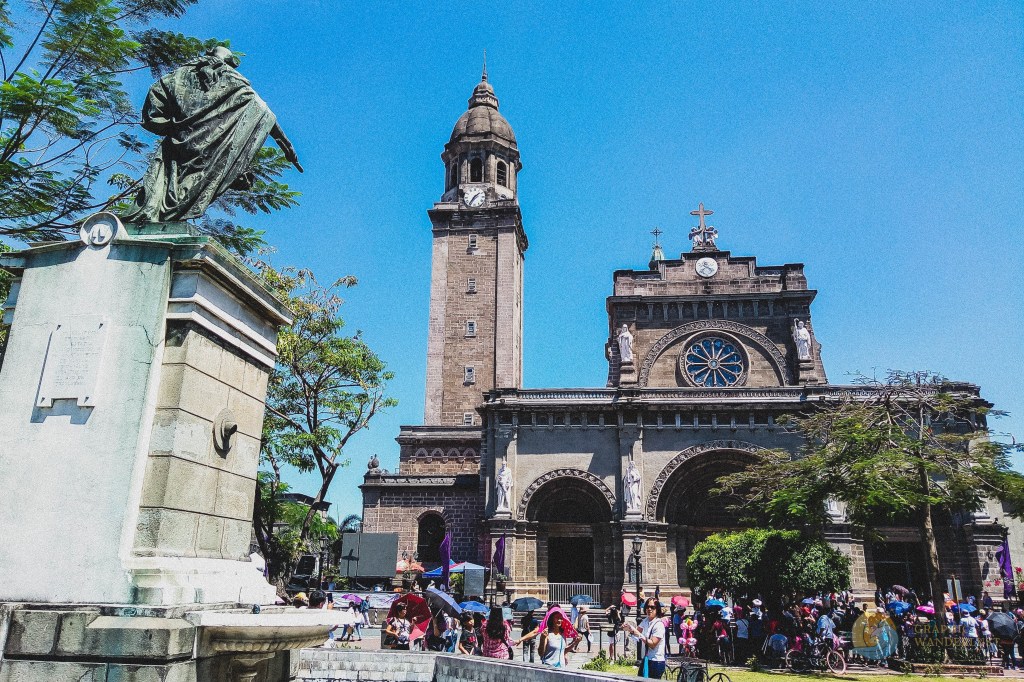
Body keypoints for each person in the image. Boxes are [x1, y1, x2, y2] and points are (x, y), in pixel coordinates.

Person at [122, 46, 301, 224]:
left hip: (177, 146)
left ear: (208, 54)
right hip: (212, 152)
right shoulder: (234, 81)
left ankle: (157, 218)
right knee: (186, 190)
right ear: (229, 63)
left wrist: (175, 128)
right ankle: (167, 219)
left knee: (164, 185)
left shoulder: (174, 77)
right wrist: (286, 144)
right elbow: (263, 113)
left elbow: (152, 115)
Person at [624, 597, 668, 679]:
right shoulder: (646, 621)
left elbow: (653, 644)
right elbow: (636, 632)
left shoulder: (659, 625)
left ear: (657, 609)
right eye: (647, 607)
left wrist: (639, 635)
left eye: (652, 607)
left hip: (656, 662)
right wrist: (629, 629)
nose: (649, 609)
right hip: (647, 659)